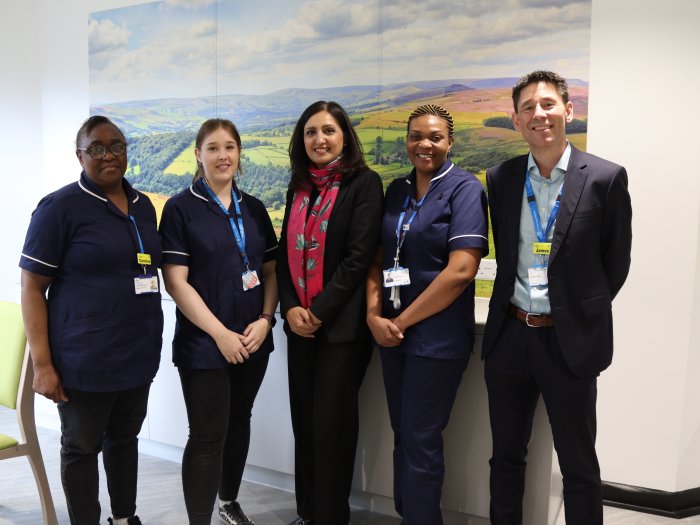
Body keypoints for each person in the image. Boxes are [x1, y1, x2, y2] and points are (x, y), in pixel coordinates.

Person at [483, 71, 632, 524]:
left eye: (548, 104)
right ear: (516, 121)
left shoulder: (605, 178)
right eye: (527, 107)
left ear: (569, 111)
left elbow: (615, 264)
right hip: (510, 336)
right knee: (505, 459)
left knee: (578, 466)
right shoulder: (502, 178)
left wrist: (576, 311)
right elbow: (507, 255)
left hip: (568, 343)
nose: (538, 114)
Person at [19, 115, 163, 525]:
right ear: (79, 155)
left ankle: (124, 518)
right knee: (82, 449)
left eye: (116, 146)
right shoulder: (60, 208)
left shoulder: (141, 206)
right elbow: (31, 287)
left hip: (137, 353)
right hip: (84, 359)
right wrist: (43, 365)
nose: (108, 155)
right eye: (96, 148)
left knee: (125, 439)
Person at [365, 104, 488, 524]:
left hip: (435, 339)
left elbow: (461, 271)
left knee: (420, 439)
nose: (425, 144)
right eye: (417, 136)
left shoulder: (465, 189)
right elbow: (379, 255)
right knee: (404, 436)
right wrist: (373, 315)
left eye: (435, 137)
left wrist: (400, 321)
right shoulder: (397, 189)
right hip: (392, 336)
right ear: (407, 141)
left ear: (450, 142)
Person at [159, 118, 278, 525]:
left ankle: (228, 502)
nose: (222, 155)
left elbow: (270, 272)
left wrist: (266, 319)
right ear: (198, 154)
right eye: (212, 148)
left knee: (239, 422)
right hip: (204, 344)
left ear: (239, 154)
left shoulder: (255, 209)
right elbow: (176, 283)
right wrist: (220, 334)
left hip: (253, 338)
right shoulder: (180, 208)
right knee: (208, 435)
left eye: (230, 147)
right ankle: (199, 520)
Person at [277, 101, 383, 525]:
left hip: (340, 329)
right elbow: (283, 254)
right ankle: (307, 513)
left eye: (328, 131)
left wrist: (316, 311)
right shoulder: (299, 186)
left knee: (331, 428)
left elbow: (358, 259)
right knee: (304, 423)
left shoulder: (363, 184)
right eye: (310, 132)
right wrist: (289, 309)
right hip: (299, 327)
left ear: (344, 136)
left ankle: (330, 517)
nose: (319, 140)